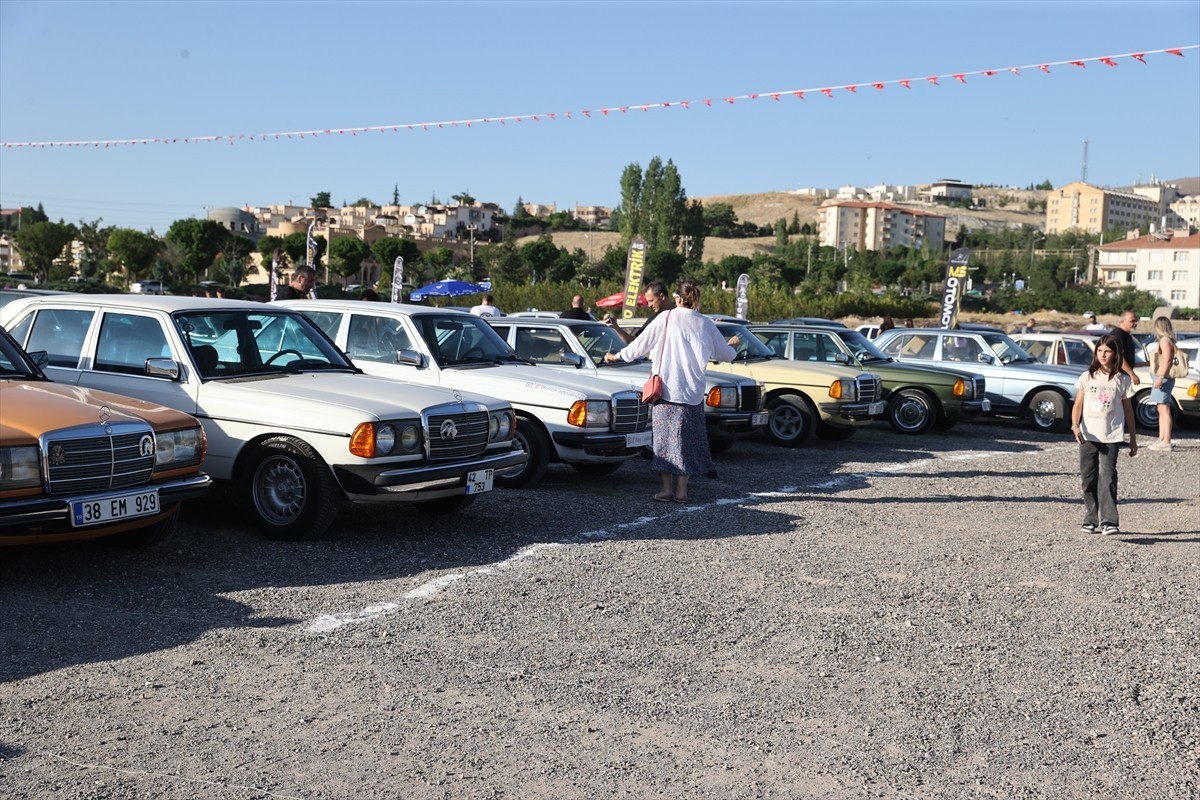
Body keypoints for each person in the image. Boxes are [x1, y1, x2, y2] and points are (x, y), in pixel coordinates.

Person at [603, 280, 739, 504]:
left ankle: (666, 490)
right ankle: (682, 491)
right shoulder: (705, 323)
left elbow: (639, 346)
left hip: (666, 390)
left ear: (676, 298)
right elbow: (726, 355)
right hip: (693, 393)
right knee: (686, 442)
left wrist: (616, 356)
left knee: (664, 442)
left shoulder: (665, 318)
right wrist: (732, 344)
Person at [1071, 334, 1137, 536]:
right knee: (1088, 478)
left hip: (1112, 437)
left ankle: (1109, 521)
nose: (1103, 354)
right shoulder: (1087, 377)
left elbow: (1128, 411)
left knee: (1108, 477)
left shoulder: (1122, 380)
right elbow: (1078, 405)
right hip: (1088, 435)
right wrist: (1075, 425)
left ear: (1115, 353)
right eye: (1099, 350)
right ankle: (1090, 519)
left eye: (1107, 351)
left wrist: (1133, 438)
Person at [1146, 317, 1178, 452]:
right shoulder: (1169, 340)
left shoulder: (1164, 340)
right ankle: (1163, 438)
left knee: (1164, 410)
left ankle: (1166, 441)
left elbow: (1168, 360)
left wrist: (1160, 377)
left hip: (1163, 378)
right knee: (1161, 409)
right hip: (1164, 378)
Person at [604, 282, 673, 344]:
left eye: (651, 301)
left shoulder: (681, 313)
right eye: (648, 302)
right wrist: (616, 327)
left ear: (662, 296)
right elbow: (634, 342)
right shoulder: (653, 319)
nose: (649, 305)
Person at [1110, 310, 1141, 387]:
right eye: (1132, 321)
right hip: (1115, 376)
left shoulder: (1127, 335)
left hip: (1123, 376)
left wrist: (1145, 363)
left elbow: (1128, 358)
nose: (1135, 323)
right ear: (1122, 321)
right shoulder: (1118, 334)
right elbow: (1119, 357)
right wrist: (1132, 374)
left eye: (1136, 321)